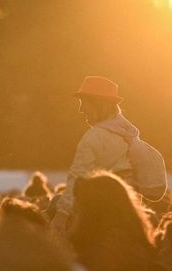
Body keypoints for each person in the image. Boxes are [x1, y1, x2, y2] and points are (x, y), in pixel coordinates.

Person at [52, 76, 156, 234]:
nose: (81, 109)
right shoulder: (129, 136)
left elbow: (76, 177)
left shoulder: (94, 137)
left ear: (99, 104)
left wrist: (61, 215)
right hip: (130, 221)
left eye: (84, 102)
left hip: (102, 222)